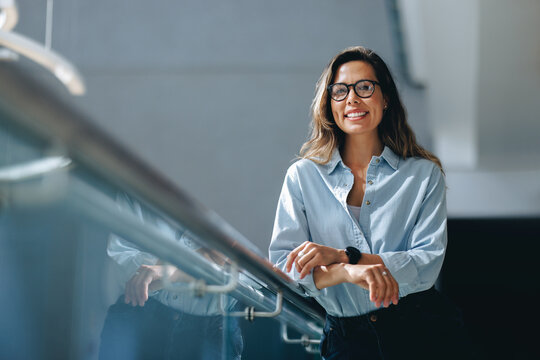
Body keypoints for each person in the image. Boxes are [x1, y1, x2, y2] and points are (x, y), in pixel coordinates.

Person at [269, 46, 472, 359]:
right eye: (340, 90)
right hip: (347, 339)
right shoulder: (303, 176)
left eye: (364, 87)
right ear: (328, 103)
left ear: (385, 97)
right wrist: (345, 273)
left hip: (423, 330)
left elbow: (425, 265)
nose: (352, 99)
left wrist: (341, 257)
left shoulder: (422, 174)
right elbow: (285, 267)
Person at [99, 192, 243, 360]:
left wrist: (168, 271)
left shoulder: (237, 188)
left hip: (210, 331)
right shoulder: (139, 181)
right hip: (139, 317)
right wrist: (200, 262)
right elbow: (122, 257)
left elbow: (235, 265)